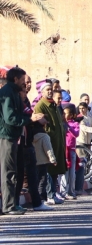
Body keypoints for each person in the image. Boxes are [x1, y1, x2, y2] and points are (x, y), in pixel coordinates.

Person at [1, 67, 46, 215]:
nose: (25, 83)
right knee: (8, 172)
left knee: (15, 171)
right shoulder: (8, 93)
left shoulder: (14, 92)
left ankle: (12, 203)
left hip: (14, 137)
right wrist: (29, 119)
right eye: (22, 80)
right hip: (6, 136)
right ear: (15, 79)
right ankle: (8, 206)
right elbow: (10, 118)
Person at [16, 75, 54, 211]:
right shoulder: (17, 99)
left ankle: (37, 203)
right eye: (25, 82)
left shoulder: (25, 99)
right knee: (19, 173)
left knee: (32, 173)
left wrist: (36, 120)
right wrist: (33, 119)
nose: (28, 84)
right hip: (19, 141)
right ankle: (14, 203)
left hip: (28, 140)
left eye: (29, 82)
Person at [34, 88, 67, 204]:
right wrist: (51, 135)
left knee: (55, 170)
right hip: (47, 142)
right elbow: (43, 125)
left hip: (57, 142)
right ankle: (49, 194)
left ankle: (53, 192)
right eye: (47, 90)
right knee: (47, 169)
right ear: (42, 92)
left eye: (51, 90)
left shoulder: (54, 105)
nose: (50, 92)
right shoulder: (41, 105)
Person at [75, 102, 92, 195]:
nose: (82, 110)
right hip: (80, 141)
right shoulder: (79, 117)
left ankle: (81, 185)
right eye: (80, 108)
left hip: (88, 141)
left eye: (83, 108)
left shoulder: (89, 117)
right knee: (81, 164)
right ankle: (79, 187)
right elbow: (83, 127)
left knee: (86, 163)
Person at [63, 104, 80, 200]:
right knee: (64, 172)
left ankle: (71, 191)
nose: (65, 115)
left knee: (72, 172)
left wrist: (70, 128)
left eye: (66, 113)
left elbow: (76, 134)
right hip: (64, 149)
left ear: (72, 115)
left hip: (72, 150)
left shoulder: (75, 124)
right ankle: (63, 191)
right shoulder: (62, 124)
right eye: (64, 113)